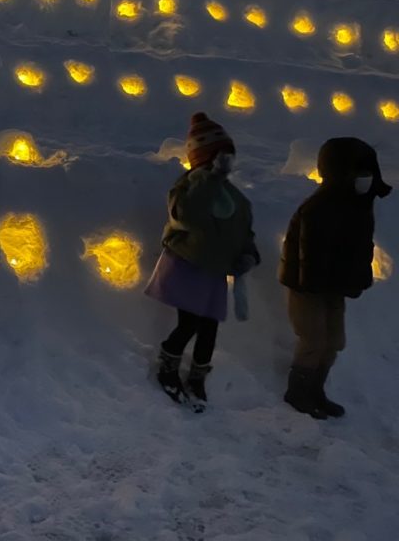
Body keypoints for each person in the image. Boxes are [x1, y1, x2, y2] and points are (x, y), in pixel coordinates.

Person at [145, 113, 260, 412]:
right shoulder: (188, 187)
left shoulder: (235, 197)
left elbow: (243, 229)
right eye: (220, 157)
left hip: (215, 270)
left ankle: (198, 377)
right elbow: (186, 214)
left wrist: (248, 254)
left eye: (228, 157)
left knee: (210, 327)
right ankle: (167, 367)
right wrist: (210, 179)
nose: (226, 163)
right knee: (190, 322)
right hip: (189, 264)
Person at [279, 137, 391, 419]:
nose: (366, 180)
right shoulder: (318, 208)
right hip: (308, 288)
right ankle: (298, 392)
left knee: (334, 341)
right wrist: (316, 286)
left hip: (334, 287)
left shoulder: (360, 207)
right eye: (359, 173)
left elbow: (361, 250)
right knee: (313, 339)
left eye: (369, 173)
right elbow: (309, 257)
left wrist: (358, 279)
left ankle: (316, 389)